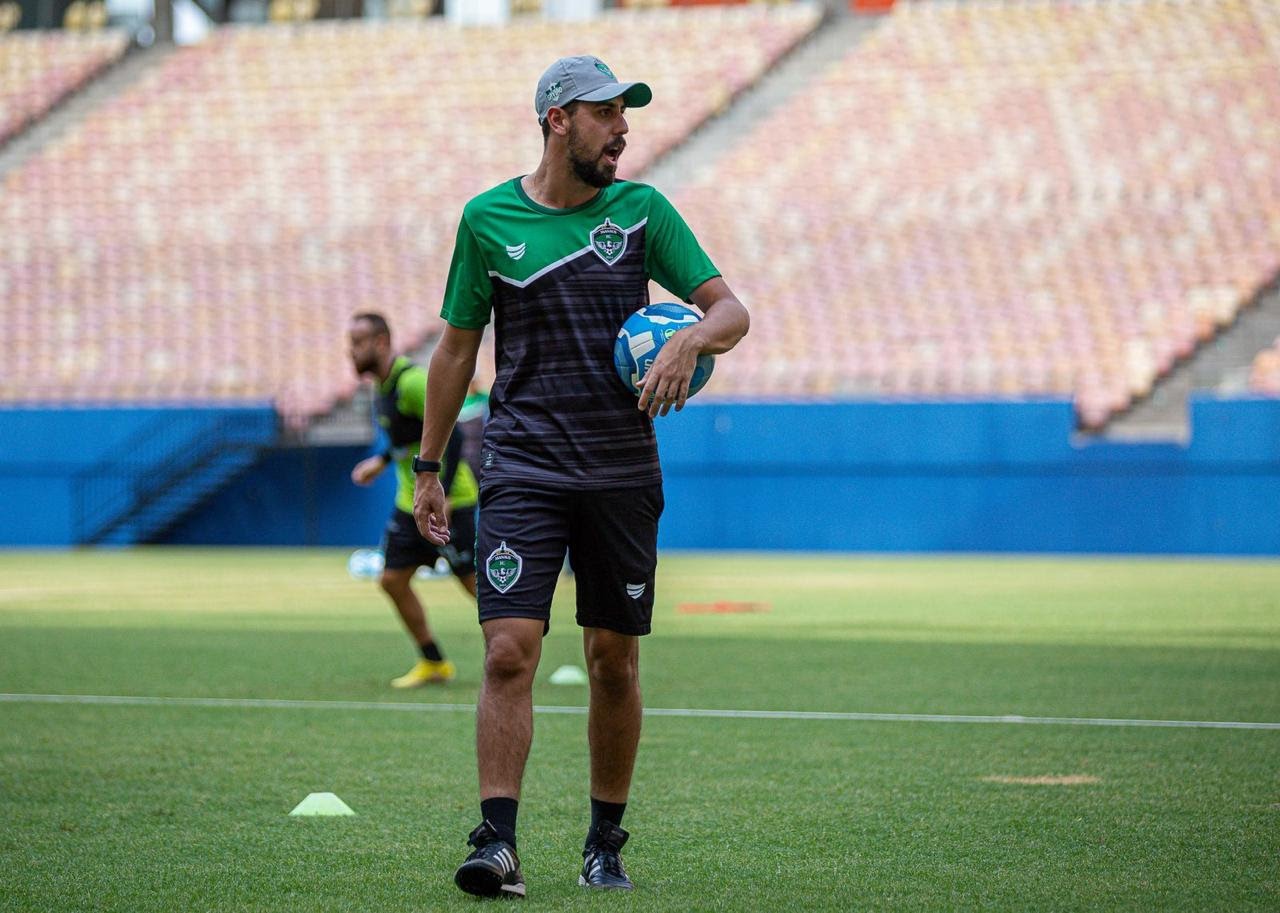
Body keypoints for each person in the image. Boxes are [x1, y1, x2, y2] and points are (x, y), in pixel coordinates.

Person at [411, 56, 749, 897]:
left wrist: (689, 338)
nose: (623, 128)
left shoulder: (642, 212)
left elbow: (731, 311)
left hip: (620, 469)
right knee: (507, 651)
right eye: (606, 113)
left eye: (625, 114)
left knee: (612, 662)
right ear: (557, 120)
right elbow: (455, 350)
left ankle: (605, 841)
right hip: (522, 464)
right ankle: (498, 842)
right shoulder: (487, 220)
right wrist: (427, 466)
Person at [347, 312, 481, 688]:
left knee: (474, 586)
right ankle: (433, 662)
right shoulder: (384, 386)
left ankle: (518, 649)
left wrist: (446, 493)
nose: (351, 351)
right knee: (392, 579)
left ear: (381, 342)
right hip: (411, 501)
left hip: (448, 499)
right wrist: (381, 461)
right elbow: (410, 435)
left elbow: (453, 434)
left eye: (357, 343)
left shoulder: (412, 381)